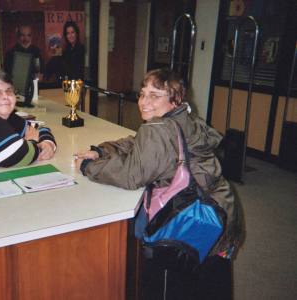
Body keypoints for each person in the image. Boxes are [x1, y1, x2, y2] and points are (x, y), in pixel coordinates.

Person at [75, 68, 242, 299]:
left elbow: (131, 175)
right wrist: (103, 150)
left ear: (175, 99)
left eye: (155, 95)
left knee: (174, 276)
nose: (144, 102)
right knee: (210, 279)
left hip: (197, 216)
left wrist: (88, 167)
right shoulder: (184, 119)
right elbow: (136, 143)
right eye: (142, 94)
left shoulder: (158, 130)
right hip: (222, 209)